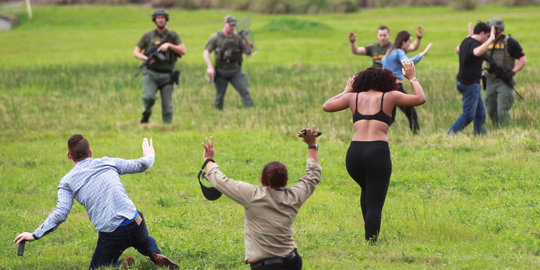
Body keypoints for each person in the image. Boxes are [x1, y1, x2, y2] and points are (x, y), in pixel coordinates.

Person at [13, 135, 179, 269]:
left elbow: (60, 214)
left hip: (112, 233)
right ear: (90, 152)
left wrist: (35, 234)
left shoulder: (67, 182)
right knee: (143, 240)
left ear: (69, 155)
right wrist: (150, 156)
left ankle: (119, 265)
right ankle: (155, 255)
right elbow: (141, 164)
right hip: (136, 221)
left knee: (97, 267)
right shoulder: (107, 161)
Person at [322, 61, 425, 243]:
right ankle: (371, 243)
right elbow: (420, 99)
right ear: (386, 81)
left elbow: (327, 105)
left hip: (354, 153)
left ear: (361, 82)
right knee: (375, 203)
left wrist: (346, 91)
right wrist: (412, 78)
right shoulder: (391, 96)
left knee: (366, 190)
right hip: (377, 151)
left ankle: (369, 235)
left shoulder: (352, 98)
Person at [200, 126, 322, 269]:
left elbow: (221, 181)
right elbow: (312, 176)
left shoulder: (252, 196)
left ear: (262, 180)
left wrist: (208, 160)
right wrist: (312, 145)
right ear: (286, 180)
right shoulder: (294, 197)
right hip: (292, 262)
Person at [134, 9, 186, 124]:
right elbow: (136, 52)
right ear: (155, 20)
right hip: (151, 73)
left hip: (167, 75)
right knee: (148, 97)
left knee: (167, 105)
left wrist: (169, 45)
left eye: (163, 17)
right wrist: (146, 59)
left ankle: (167, 127)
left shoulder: (173, 35)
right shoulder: (148, 35)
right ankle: (146, 114)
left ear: (166, 19)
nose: (161, 20)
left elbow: (183, 50)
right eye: (158, 18)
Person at [448, 22, 495, 135]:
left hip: (467, 82)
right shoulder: (475, 44)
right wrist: (491, 40)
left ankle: (480, 136)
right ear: (483, 34)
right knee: (469, 115)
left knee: (480, 114)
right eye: (487, 36)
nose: (487, 39)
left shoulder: (466, 41)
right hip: (469, 84)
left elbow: (458, 49)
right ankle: (451, 134)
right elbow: (477, 52)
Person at [381, 31, 432, 133]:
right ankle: (416, 135)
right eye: (409, 41)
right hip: (396, 86)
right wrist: (422, 54)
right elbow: (407, 63)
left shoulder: (389, 51)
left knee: (390, 117)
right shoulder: (399, 51)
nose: (409, 44)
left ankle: (377, 132)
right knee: (411, 113)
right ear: (403, 42)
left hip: (386, 87)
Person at [203, 15, 255, 110]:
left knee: (245, 90)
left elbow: (248, 52)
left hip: (235, 71)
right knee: (220, 96)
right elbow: (206, 52)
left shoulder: (238, 38)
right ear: (224, 24)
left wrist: (245, 38)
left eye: (234, 25)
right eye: (230, 25)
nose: (232, 27)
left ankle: (251, 110)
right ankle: (217, 113)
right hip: (221, 71)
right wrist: (209, 67)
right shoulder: (216, 37)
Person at [484, 17, 527, 126]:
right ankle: (496, 130)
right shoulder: (486, 42)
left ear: (498, 30)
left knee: (502, 110)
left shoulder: (510, 43)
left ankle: (505, 132)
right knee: (490, 109)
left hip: (504, 80)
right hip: (490, 80)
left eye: (491, 29)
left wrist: (512, 72)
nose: (488, 31)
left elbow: (522, 59)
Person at [348, 25, 424, 68]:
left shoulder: (395, 47)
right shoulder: (373, 47)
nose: (383, 38)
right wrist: (352, 42)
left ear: (389, 35)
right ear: (377, 36)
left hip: (387, 76)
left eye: (385, 35)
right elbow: (356, 51)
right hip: (374, 74)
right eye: (380, 35)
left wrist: (419, 38)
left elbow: (414, 47)